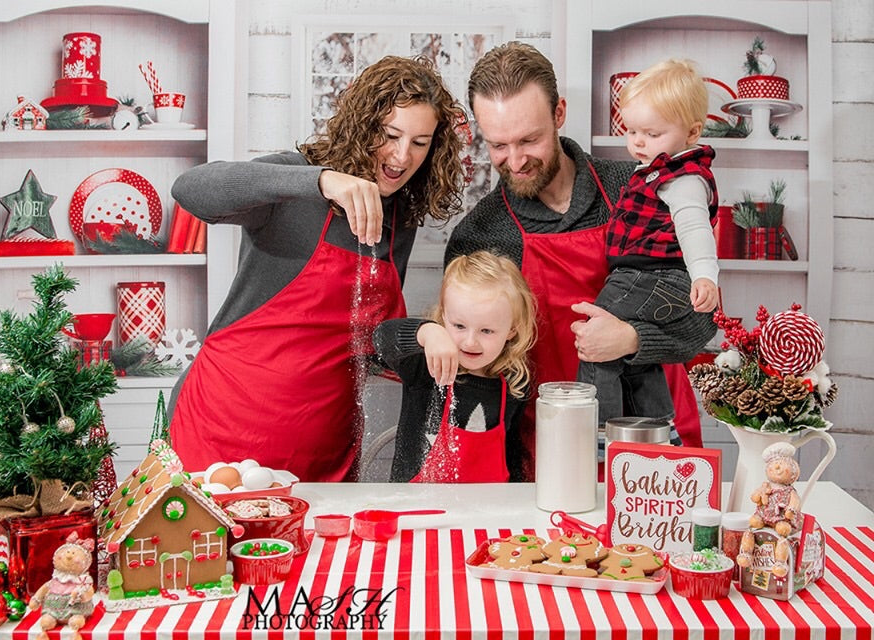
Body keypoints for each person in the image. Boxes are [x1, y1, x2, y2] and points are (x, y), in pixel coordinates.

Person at [168, 56, 466, 481]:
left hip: (323, 453)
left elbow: (368, 340)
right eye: (389, 134)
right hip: (221, 433)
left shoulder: (400, 218)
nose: (402, 156)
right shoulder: (295, 180)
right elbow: (191, 188)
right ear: (363, 125)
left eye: (420, 142)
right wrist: (321, 180)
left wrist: (426, 334)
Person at [445, 42, 716, 479]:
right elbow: (478, 372)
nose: (514, 161)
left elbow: (702, 322)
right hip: (554, 451)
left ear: (559, 114)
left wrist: (631, 340)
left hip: (660, 443)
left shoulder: (641, 189)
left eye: (529, 139)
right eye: (498, 145)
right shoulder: (480, 236)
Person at [577, 58, 719, 426]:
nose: (638, 142)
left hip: (651, 276)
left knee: (596, 342)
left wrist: (705, 276)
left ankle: (596, 434)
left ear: (691, 133)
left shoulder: (683, 179)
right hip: (649, 277)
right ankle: (657, 431)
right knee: (638, 363)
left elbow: (695, 228)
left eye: (652, 134)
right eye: (632, 131)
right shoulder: (651, 172)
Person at [372, 250, 537, 482]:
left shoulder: (514, 384)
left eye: (486, 331)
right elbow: (380, 339)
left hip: (486, 511)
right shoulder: (424, 367)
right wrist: (427, 332)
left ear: (512, 329)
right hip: (415, 508)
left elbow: (512, 455)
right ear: (444, 317)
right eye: (459, 326)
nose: (470, 341)